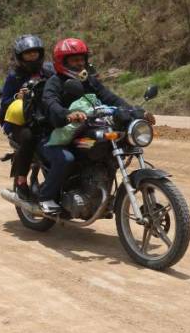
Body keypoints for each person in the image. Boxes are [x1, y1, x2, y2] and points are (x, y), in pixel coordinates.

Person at [39, 37, 156, 214]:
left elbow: (110, 98)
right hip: (55, 135)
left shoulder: (89, 81)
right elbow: (50, 104)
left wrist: (136, 112)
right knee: (66, 159)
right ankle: (46, 197)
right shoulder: (54, 83)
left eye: (81, 59)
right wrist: (68, 114)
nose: (79, 64)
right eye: (74, 60)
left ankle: (98, 192)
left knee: (108, 148)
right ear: (62, 62)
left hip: (82, 132)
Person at [0, 34, 54, 200]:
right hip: (20, 121)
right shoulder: (14, 76)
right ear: (20, 56)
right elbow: (5, 101)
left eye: (34, 53)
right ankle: (22, 181)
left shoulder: (49, 71)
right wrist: (18, 96)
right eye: (27, 54)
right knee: (29, 138)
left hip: (44, 116)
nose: (32, 56)